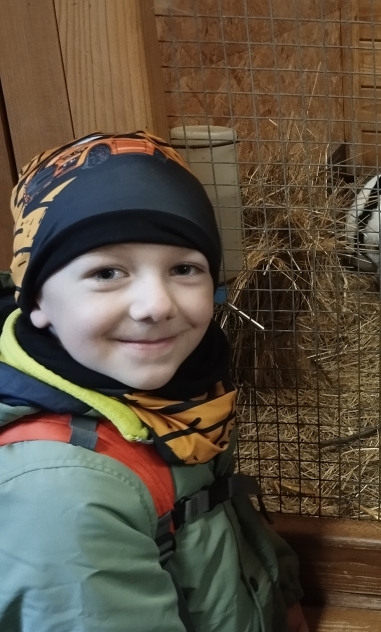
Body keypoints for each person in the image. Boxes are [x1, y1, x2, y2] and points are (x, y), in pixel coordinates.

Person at [0, 131, 308, 631]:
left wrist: (285, 599)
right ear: (35, 299)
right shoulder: (61, 493)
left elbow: (224, 519)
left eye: (184, 268)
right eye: (107, 273)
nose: (156, 306)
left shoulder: (179, 396)